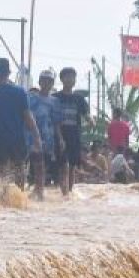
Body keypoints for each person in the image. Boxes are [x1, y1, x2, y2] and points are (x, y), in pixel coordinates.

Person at [0, 58, 41, 189]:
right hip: (17, 139)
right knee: (19, 170)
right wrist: (37, 138)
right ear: (9, 72)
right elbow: (28, 117)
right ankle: (19, 199)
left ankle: (3, 202)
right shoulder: (20, 92)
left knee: (1, 173)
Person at [52, 67, 89, 197]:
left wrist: (91, 120)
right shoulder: (55, 98)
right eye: (67, 77)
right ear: (62, 79)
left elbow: (86, 115)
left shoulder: (79, 99)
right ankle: (64, 192)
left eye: (73, 77)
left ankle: (69, 193)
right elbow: (54, 119)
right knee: (63, 164)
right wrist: (59, 137)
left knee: (72, 165)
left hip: (74, 134)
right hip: (60, 133)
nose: (70, 80)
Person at [28, 69, 58, 198]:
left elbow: (57, 122)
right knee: (34, 166)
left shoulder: (55, 102)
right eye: (44, 80)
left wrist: (60, 139)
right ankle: (35, 192)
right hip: (32, 138)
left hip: (49, 139)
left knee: (43, 167)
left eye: (49, 81)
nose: (47, 83)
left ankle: (39, 192)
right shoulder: (31, 98)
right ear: (40, 82)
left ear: (52, 83)